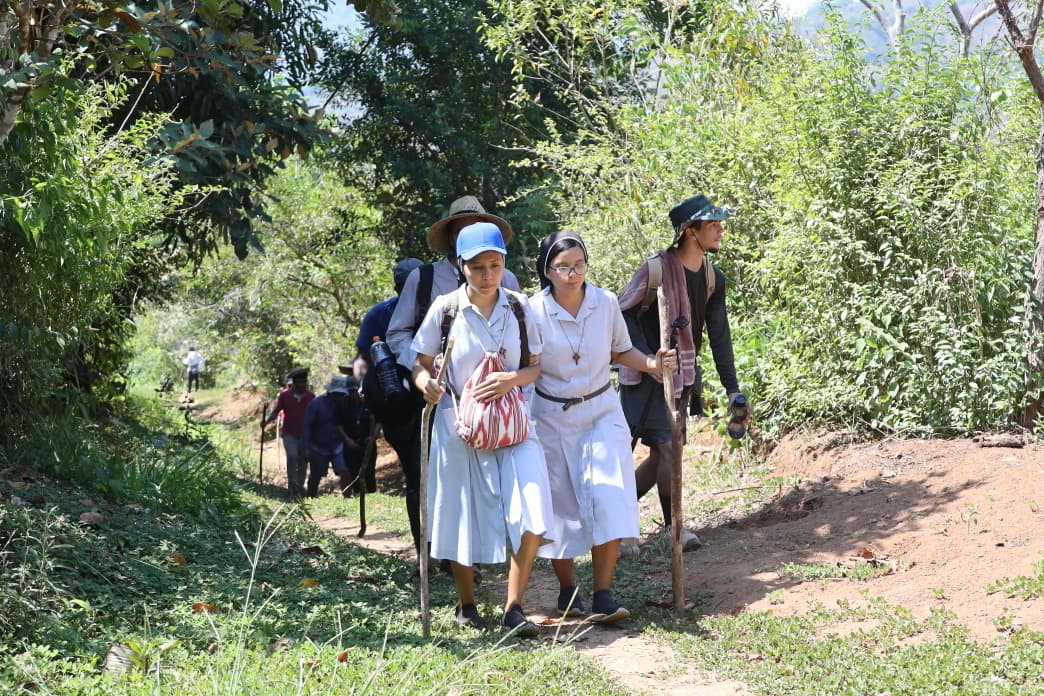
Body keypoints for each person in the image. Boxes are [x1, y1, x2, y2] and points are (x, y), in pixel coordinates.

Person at [411, 222, 551, 637]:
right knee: (459, 514)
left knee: (533, 511)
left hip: (514, 427)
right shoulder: (446, 309)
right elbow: (420, 362)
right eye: (478, 267)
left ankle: (513, 607)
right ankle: (467, 603)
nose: (488, 274)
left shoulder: (520, 307)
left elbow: (536, 366)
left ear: (504, 264)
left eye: (495, 264)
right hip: (457, 425)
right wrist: (427, 385)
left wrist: (512, 380)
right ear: (462, 266)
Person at [530, 231, 676, 622]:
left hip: (600, 410)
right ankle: (567, 590)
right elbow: (526, 365)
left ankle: (603, 594)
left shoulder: (605, 302)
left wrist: (652, 365)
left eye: (579, 265)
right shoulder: (532, 311)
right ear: (547, 270)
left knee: (609, 496)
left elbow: (620, 349)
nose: (572, 273)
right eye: (563, 267)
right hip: (550, 417)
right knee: (560, 505)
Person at [386, 196, 521, 580]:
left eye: (476, 223)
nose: (470, 232)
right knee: (427, 475)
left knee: (493, 479)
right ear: (450, 237)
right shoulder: (425, 279)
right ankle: (432, 552)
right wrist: (422, 374)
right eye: (461, 226)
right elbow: (399, 332)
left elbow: (521, 338)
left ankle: (477, 556)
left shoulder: (506, 280)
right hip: (437, 397)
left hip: (497, 401)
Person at [618, 194, 749, 555]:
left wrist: (732, 388)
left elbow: (719, 336)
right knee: (624, 450)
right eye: (713, 225)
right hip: (641, 375)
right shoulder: (655, 270)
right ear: (690, 232)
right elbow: (621, 313)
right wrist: (647, 357)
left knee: (666, 452)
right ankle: (626, 527)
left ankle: (663, 526)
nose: (720, 230)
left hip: (681, 376)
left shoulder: (711, 278)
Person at [353, 258, 426, 553]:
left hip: (439, 402)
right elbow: (362, 357)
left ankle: (450, 556)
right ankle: (425, 549)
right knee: (416, 475)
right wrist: (365, 385)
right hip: (398, 410)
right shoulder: (379, 315)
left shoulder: (441, 309)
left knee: (441, 479)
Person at [262, 367, 316, 498]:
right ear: (294, 382)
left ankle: (300, 487)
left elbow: (315, 416)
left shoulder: (311, 397)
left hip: (305, 436)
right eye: (299, 382)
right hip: (289, 433)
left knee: (303, 461)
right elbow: (276, 411)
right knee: (292, 457)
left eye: (304, 381)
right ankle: (292, 486)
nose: (302, 384)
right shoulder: (285, 395)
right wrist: (266, 421)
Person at [301, 375, 353, 498]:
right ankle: (311, 496)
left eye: (341, 395)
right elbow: (307, 426)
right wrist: (305, 447)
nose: (339, 397)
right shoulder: (316, 404)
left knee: (344, 471)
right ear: (330, 392)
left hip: (338, 446)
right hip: (318, 446)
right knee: (316, 474)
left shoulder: (345, 404)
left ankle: (348, 496)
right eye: (336, 394)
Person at [333, 376, 373, 496]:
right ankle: (356, 493)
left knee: (369, 470)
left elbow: (378, 421)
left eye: (354, 391)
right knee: (353, 470)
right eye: (350, 391)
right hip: (350, 442)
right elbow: (338, 423)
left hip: (367, 441)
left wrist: (372, 437)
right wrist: (346, 439)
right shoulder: (343, 403)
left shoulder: (370, 402)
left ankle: (371, 494)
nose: (353, 394)